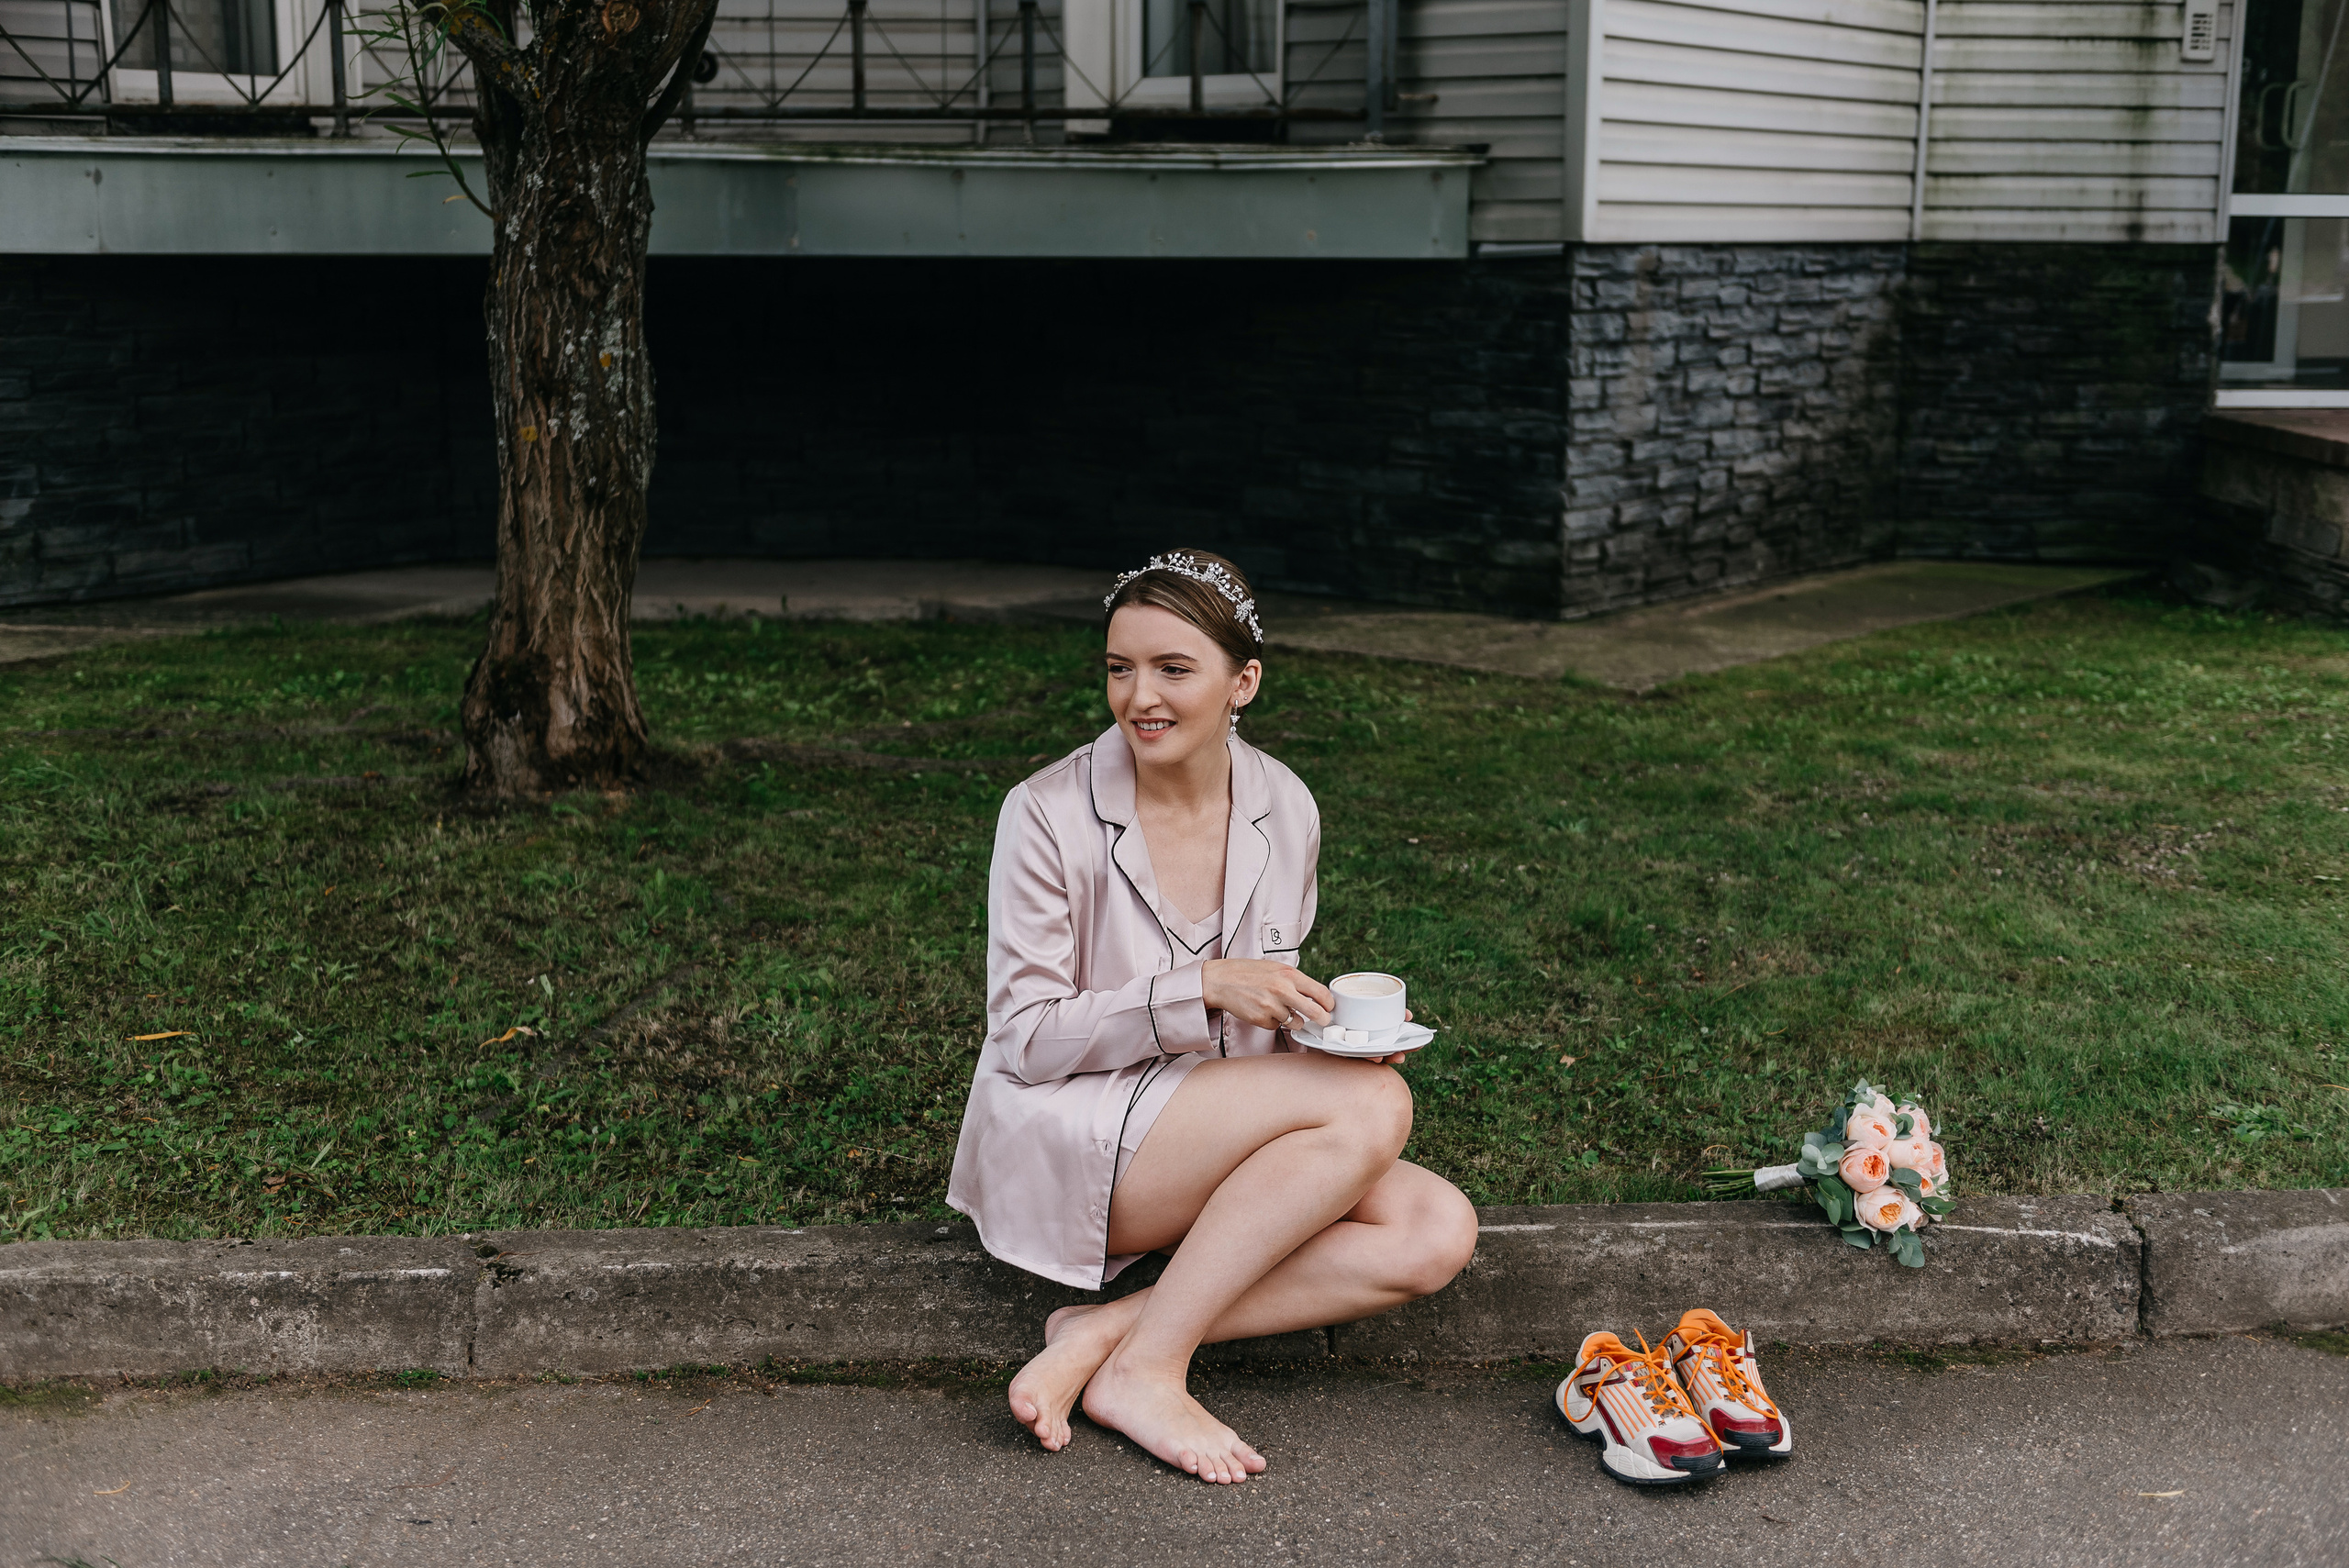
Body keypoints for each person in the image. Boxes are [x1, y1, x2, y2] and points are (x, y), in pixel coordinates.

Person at [945, 549, 1480, 1485]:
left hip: (1207, 1117)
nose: (1138, 696)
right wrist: (1195, 987)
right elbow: (1023, 1037)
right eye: (1120, 667)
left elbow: (1263, 997)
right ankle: (1150, 1370)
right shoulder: (1041, 812)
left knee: (1435, 1227)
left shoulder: (1284, 801)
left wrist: (1329, 1042)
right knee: (1368, 1115)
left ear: (1244, 682)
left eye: (1172, 668)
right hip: (1073, 1123)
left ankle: (1111, 1331)